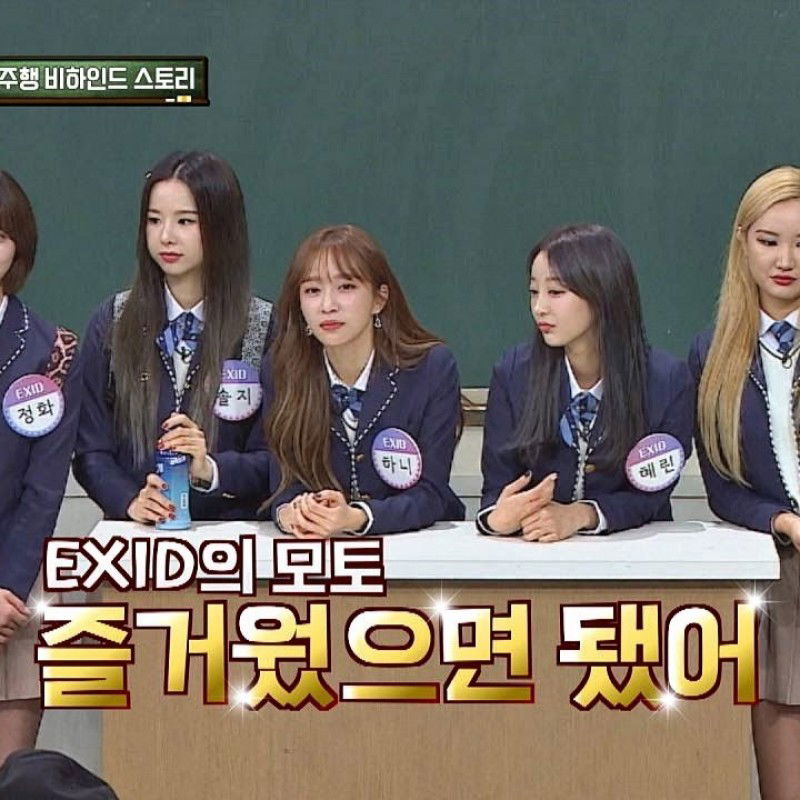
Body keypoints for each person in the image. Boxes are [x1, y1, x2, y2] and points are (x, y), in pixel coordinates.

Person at [74, 151, 273, 522]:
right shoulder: (113, 321)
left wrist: (210, 469)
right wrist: (129, 500)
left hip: (234, 531)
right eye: (154, 220)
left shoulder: (262, 326)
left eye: (185, 221)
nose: (166, 236)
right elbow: (90, 449)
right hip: (138, 533)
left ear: (221, 226)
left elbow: (276, 458)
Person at [690, 165, 800, 800]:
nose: (785, 260)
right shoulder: (714, 354)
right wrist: (783, 523)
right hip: (781, 572)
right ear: (742, 243)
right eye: (768, 241)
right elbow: (722, 489)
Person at [478, 223, 693, 540]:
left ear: (602, 294)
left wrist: (581, 515)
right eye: (534, 292)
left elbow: (651, 495)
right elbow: (495, 491)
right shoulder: (513, 374)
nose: (539, 308)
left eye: (555, 292)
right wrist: (497, 519)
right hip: (535, 552)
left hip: (633, 553)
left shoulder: (668, 381)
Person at [265, 224, 464, 536]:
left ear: (379, 299)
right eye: (312, 290)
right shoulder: (282, 371)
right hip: (321, 546)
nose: (328, 305)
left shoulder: (431, 369)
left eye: (346, 287)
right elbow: (283, 485)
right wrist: (290, 512)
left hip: (417, 544)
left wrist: (356, 517)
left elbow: (432, 494)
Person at [0, 171, 80, 765]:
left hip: (15, 586)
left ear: (18, 246)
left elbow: (44, 489)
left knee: (12, 775)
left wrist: (6, 587)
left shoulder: (53, 351)